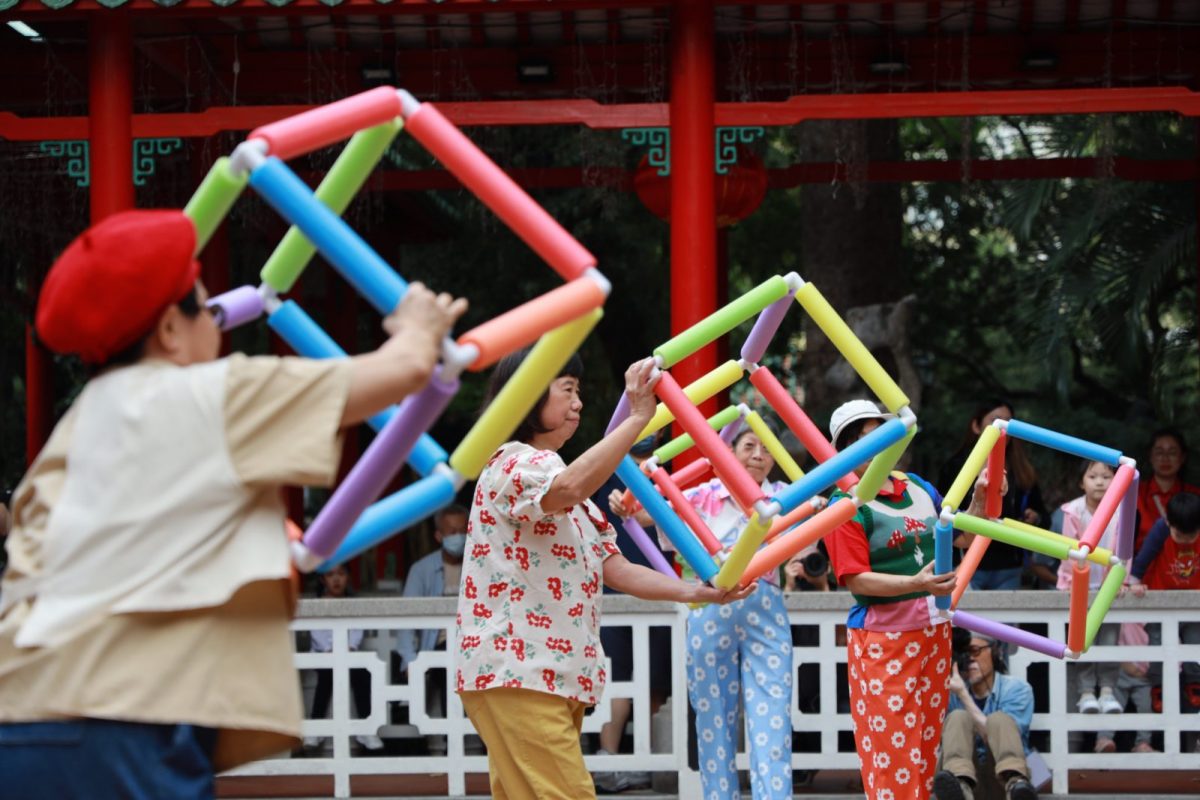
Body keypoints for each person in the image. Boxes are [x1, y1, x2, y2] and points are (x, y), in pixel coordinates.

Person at [0, 209, 467, 795]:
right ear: (171, 329)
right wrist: (419, 325)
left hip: (18, 719)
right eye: (205, 304)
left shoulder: (75, 429)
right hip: (119, 724)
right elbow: (400, 371)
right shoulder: (208, 395)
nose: (218, 321)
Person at [454, 349, 754, 800]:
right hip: (518, 670)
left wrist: (698, 591)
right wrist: (636, 418)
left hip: (546, 675)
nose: (579, 404)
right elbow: (568, 486)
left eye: (580, 393)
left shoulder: (569, 490)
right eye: (568, 390)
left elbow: (616, 568)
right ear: (528, 396)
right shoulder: (513, 462)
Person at [824, 399, 996, 800]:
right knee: (890, 751)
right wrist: (913, 583)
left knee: (923, 745)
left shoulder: (918, 487)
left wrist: (982, 501)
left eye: (886, 435)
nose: (882, 446)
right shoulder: (846, 503)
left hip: (933, 632)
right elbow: (855, 580)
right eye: (871, 439)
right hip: (884, 639)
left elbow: (961, 535)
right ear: (850, 448)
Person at [592, 435, 670, 794]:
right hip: (612, 593)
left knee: (656, 680)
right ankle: (607, 760)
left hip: (665, 593)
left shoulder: (671, 472)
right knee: (616, 678)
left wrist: (648, 516)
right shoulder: (605, 468)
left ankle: (648, 762)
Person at [938, 400, 1048, 591]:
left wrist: (1034, 517)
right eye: (995, 420)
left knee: (1005, 621)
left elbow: (1043, 517)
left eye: (1008, 421)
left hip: (1008, 563)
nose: (1002, 426)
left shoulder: (1022, 471)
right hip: (966, 561)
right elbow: (943, 517)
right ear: (976, 425)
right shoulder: (955, 468)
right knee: (962, 620)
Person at [1056, 460, 1124, 718]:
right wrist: (1071, 582)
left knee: (1109, 641)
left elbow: (1125, 552)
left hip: (1109, 586)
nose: (1099, 481)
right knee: (1081, 641)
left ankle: (1107, 691)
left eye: (1106, 476)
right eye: (1093, 476)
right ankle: (1086, 693)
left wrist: (1122, 580)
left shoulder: (1121, 509)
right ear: (1081, 481)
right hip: (1078, 584)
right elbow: (1067, 551)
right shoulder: (1073, 510)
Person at [934, 633, 1038, 800]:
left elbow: (1010, 737)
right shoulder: (950, 693)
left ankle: (1016, 783)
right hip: (965, 784)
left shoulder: (1017, 689)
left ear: (995, 653)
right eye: (964, 654)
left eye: (975, 651)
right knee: (958, 717)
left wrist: (963, 695)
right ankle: (958, 787)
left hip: (1002, 781)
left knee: (999, 719)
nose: (969, 660)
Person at [1129, 492, 1200, 725]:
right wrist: (1135, 582)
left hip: (1194, 604)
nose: (1187, 540)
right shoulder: (1161, 529)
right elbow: (1142, 560)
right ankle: (1159, 687)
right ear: (1169, 523)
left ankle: (1195, 684)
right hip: (1162, 599)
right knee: (1158, 645)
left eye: (1192, 535)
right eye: (1180, 535)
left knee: (1195, 645)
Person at [305, 563, 384, 753]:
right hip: (323, 655)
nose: (336, 579)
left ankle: (366, 729)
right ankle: (315, 728)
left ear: (347, 577)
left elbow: (357, 630)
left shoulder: (353, 604)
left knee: (361, 674)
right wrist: (329, 649)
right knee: (327, 675)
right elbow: (316, 633)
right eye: (331, 575)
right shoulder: (317, 604)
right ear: (323, 579)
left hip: (349, 654)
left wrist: (350, 646)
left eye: (341, 574)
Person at [396, 504, 470, 672]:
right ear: (439, 536)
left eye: (463, 531)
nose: (458, 536)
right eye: (452, 532)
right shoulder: (421, 570)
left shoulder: (478, 567)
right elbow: (406, 618)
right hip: (434, 649)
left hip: (470, 649)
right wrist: (410, 662)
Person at [1135, 428, 1200, 551]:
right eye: (1159, 452)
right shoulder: (1134, 494)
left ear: (1182, 457)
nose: (1165, 458)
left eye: (1172, 452)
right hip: (1144, 566)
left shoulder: (1195, 496)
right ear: (1150, 456)